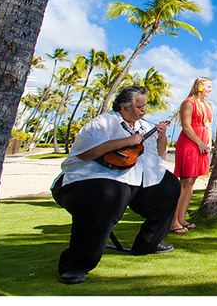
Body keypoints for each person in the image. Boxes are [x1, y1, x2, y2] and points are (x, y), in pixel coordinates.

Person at [50, 86, 180, 284]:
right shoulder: (102, 123)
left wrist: (161, 136)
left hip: (139, 179)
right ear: (123, 107)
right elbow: (85, 153)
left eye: (145, 106)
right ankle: (75, 264)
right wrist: (125, 141)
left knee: (170, 186)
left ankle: (148, 243)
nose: (144, 110)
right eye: (139, 107)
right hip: (96, 178)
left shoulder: (145, 126)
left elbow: (160, 154)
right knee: (108, 195)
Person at [170, 77, 213, 234]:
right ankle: (173, 221)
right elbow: (186, 127)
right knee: (185, 182)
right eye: (208, 87)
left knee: (192, 182)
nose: (210, 90)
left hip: (202, 146)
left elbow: (208, 125)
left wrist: (207, 143)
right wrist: (199, 143)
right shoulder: (189, 102)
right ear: (200, 87)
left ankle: (181, 218)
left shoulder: (208, 106)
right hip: (190, 144)